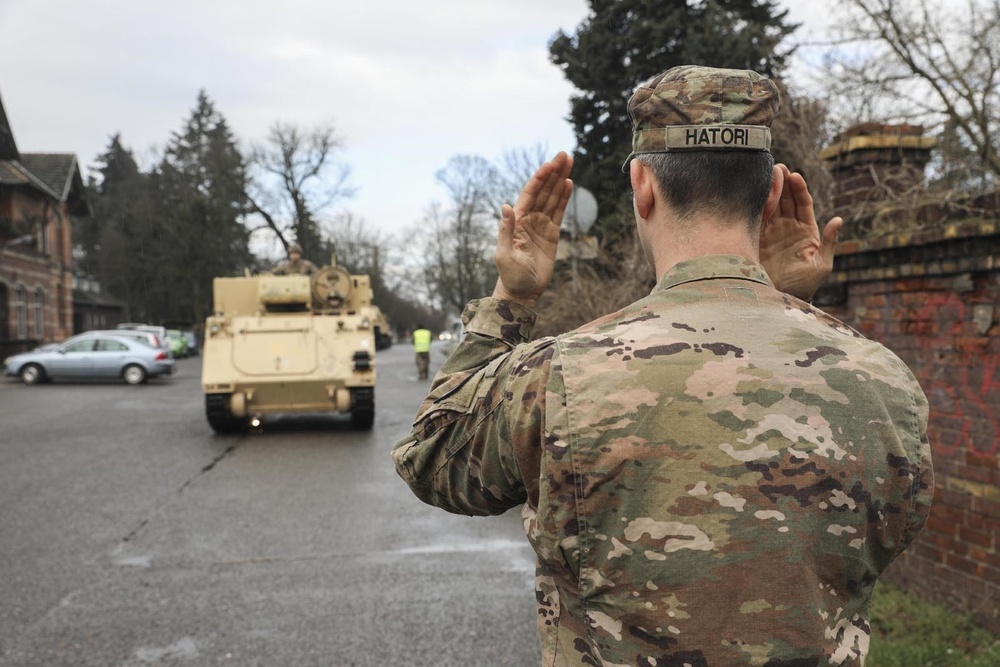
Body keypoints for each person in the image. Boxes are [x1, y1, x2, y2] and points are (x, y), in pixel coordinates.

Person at [391, 66, 933, 666]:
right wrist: (793, 311)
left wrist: (510, 302)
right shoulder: (883, 382)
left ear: (643, 185)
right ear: (771, 192)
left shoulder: (561, 375)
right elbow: (872, 537)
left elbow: (433, 456)